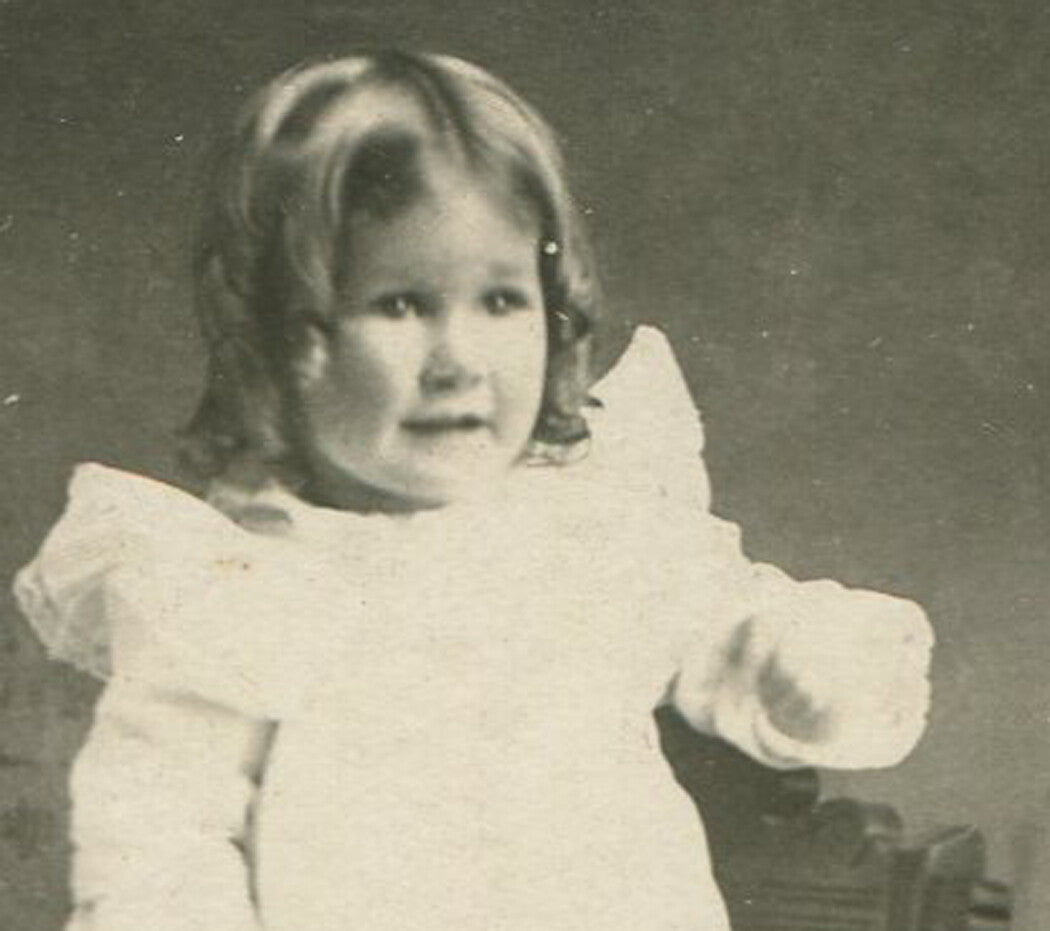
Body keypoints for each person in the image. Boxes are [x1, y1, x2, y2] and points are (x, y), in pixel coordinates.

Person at [13, 50, 933, 931]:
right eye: (401, 304)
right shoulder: (231, 584)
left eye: (500, 300)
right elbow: (156, 844)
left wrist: (815, 666)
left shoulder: (591, 533)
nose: (458, 362)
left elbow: (741, 636)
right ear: (285, 340)